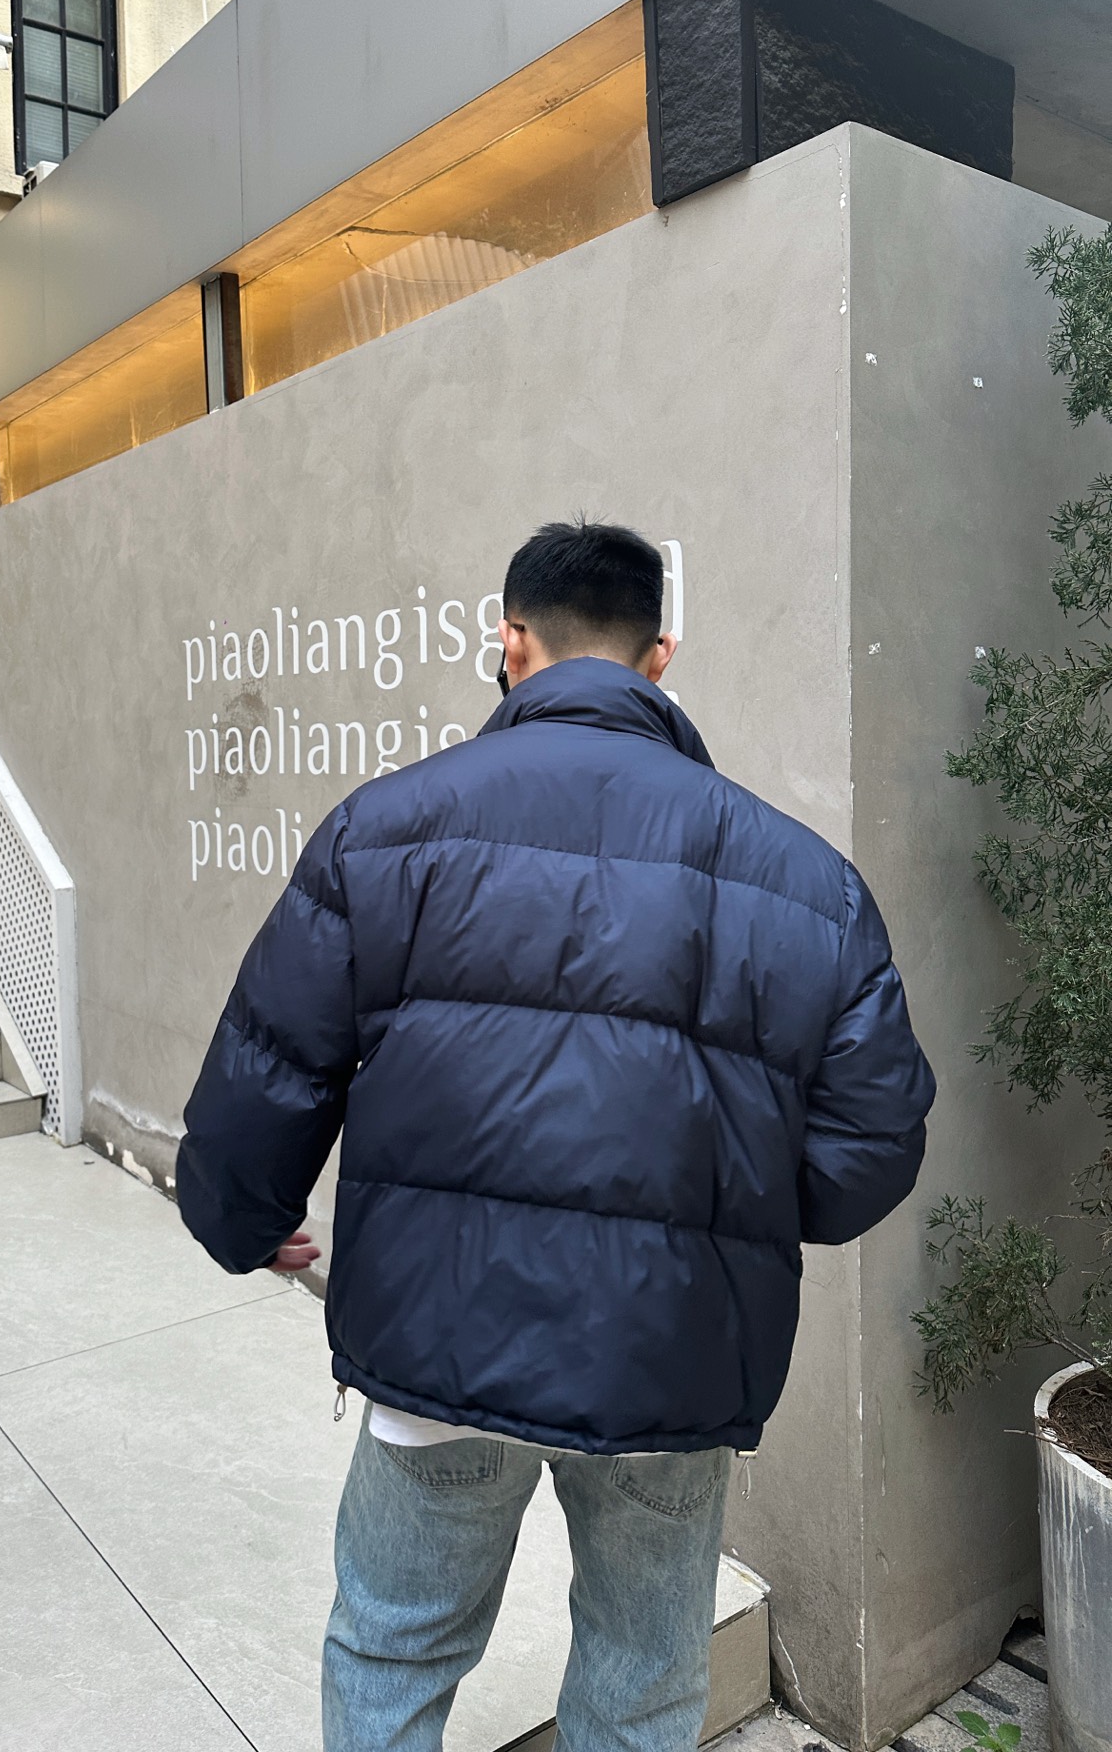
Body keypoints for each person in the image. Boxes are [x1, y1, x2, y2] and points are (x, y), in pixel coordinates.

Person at [178, 519, 935, 1752]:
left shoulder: (384, 829)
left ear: (511, 642)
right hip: (671, 1353)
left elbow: (268, 1067)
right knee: (642, 1680)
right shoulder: (806, 879)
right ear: (661, 657)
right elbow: (873, 1144)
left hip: (438, 1342)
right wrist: (721, 1210)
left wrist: (242, 1221)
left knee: (392, 1649)